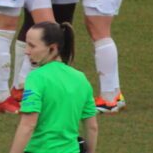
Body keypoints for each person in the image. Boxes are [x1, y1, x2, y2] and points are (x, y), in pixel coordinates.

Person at [8, 22, 98, 153]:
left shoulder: (36, 78)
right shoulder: (81, 79)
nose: (27, 51)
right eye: (27, 44)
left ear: (52, 48)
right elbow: (92, 127)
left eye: (32, 46)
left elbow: (28, 125)